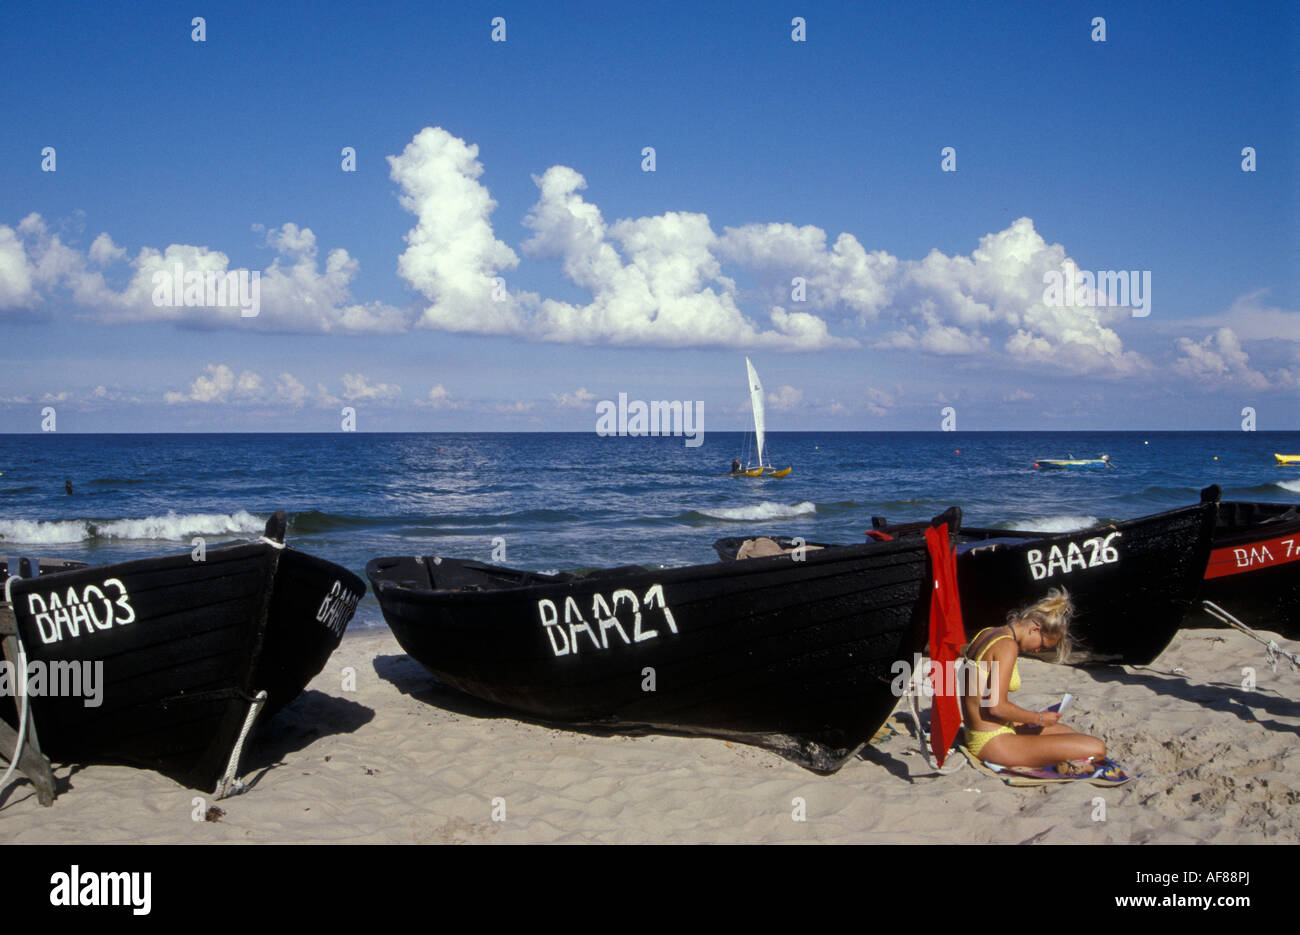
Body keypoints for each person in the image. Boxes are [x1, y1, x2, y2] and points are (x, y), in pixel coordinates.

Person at [959, 587, 1105, 773]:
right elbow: (996, 707)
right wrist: (1038, 718)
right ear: (1035, 629)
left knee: (1068, 733)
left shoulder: (988, 633)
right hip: (992, 741)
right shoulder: (1007, 646)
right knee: (1097, 748)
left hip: (980, 731)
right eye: (1042, 646)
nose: (1037, 651)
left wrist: (1034, 720)